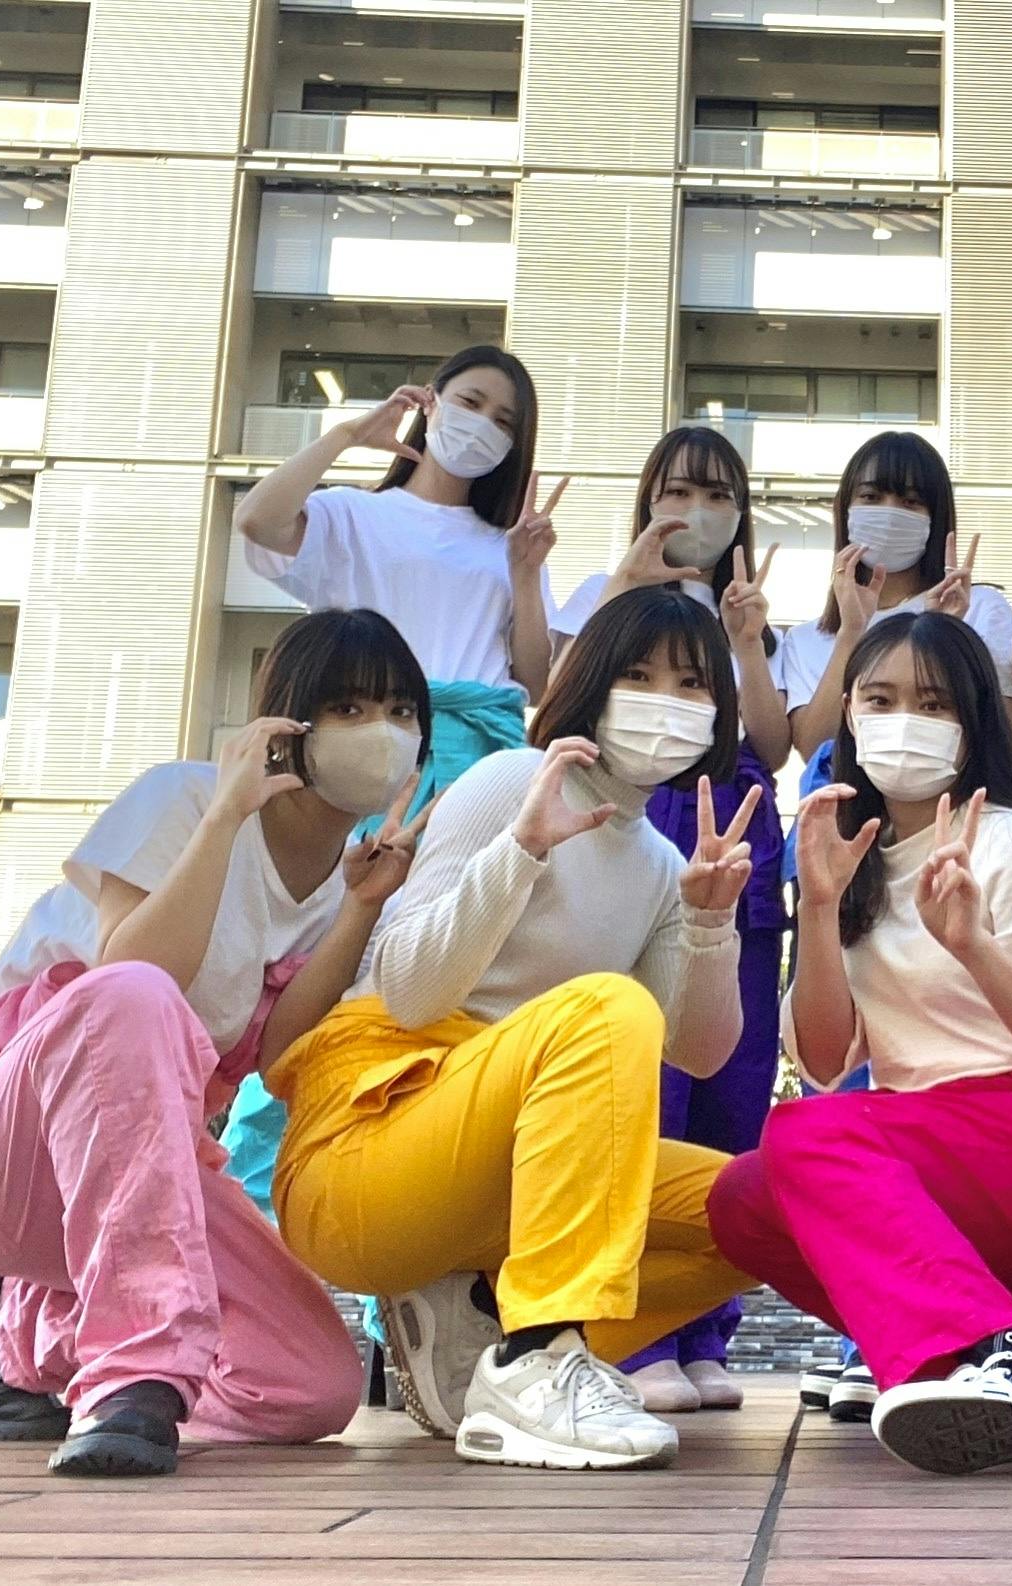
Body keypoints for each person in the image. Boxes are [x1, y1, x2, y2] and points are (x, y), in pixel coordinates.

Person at [0, 609, 439, 1477]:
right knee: (136, 995)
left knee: (309, 1387)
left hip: (147, 1172)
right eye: (350, 707)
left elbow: (276, 1061)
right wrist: (224, 817)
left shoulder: (355, 880)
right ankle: (130, 1383)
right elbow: (127, 974)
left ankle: (44, 1336)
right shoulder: (183, 797)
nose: (382, 731)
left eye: (402, 711)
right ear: (290, 723)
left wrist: (362, 909)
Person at [264, 587, 761, 1472]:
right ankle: (539, 1351)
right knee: (605, 1008)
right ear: (592, 684)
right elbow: (411, 991)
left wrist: (709, 923)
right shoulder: (509, 782)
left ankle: (484, 1327)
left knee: (761, 1211)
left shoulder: (657, 864)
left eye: (691, 685)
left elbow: (697, 1051)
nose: (665, 702)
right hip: (363, 1150)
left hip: (492, 1180)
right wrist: (520, 853)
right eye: (638, 675)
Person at [709, 612, 1012, 1477]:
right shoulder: (852, 857)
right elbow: (824, 1062)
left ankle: (989, 1351)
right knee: (746, 1199)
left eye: (932, 704)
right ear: (849, 715)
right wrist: (818, 909)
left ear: (972, 722)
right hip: (941, 1156)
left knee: (806, 1134)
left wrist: (973, 946)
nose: (903, 723)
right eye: (880, 700)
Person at [220, 345, 562, 1237]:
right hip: (364, 755)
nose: (483, 427)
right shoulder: (353, 516)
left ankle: (405, 1228)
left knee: (440, 976)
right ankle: (254, 1212)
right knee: (322, 964)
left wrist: (527, 571)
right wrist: (346, 437)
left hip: (475, 768)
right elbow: (257, 518)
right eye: (470, 402)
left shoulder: (505, 545)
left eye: (505, 420)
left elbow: (536, 677)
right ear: (428, 402)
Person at [547, 425, 789, 1413]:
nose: (697, 510)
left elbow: (771, 742)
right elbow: (557, 703)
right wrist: (623, 584)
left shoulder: (752, 613)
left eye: (718, 493)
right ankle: (631, 1330)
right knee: (647, 1079)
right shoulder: (599, 593)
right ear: (648, 497)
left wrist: (745, 640)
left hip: (734, 827)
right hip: (635, 821)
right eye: (678, 490)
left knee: (733, 1087)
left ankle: (702, 1330)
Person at [780, 430, 1012, 764]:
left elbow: (1011, 743)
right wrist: (850, 634)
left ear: (935, 516)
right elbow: (815, 750)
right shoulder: (806, 638)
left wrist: (942, 634)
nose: (890, 513)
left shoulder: (978, 607)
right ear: (845, 510)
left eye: (911, 501)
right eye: (871, 497)